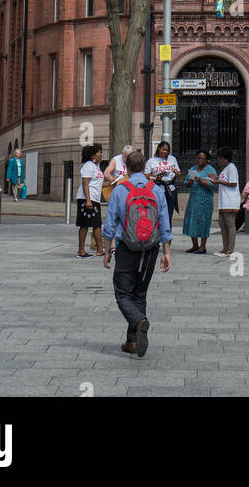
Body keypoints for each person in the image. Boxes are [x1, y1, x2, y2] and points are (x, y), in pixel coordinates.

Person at [102, 149, 172, 357]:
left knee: (122, 293)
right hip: (150, 248)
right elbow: (164, 223)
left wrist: (107, 249)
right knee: (140, 293)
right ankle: (132, 341)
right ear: (144, 167)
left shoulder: (120, 190)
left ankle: (139, 321)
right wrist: (166, 252)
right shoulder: (156, 190)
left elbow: (109, 224)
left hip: (126, 247)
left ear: (128, 169)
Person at [182, 150, 217, 252]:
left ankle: (203, 246)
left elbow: (212, 185)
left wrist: (200, 181)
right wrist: (190, 181)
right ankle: (195, 245)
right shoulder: (193, 169)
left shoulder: (211, 170)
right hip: (193, 200)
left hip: (205, 201)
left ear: (207, 160)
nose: (199, 160)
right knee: (192, 221)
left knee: (203, 222)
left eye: (202, 158)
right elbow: (186, 184)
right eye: (198, 157)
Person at [76, 144, 104, 257]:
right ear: (93, 155)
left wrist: (113, 182)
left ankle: (100, 249)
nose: (101, 155)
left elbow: (97, 183)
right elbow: (85, 182)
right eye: (99, 153)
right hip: (87, 199)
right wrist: (88, 200)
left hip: (94, 198)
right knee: (85, 224)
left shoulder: (96, 167)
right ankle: (81, 250)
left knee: (96, 224)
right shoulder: (88, 165)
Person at [213, 147, 241, 257]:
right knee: (222, 225)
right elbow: (223, 181)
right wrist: (215, 178)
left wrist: (218, 181)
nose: (218, 160)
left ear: (226, 159)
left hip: (230, 201)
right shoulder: (225, 169)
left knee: (230, 225)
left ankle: (230, 249)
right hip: (223, 202)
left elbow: (233, 183)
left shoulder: (232, 168)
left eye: (220, 158)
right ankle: (224, 248)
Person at [145, 141, 181, 224]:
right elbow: (146, 175)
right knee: (158, 212)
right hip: (158, 187)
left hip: (170, 188)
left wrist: (176, 172)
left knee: (169, 212)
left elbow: (178, 173)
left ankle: (167, 232)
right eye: (163, 149)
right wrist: (156, 177)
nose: (165, 152)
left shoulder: (172, 159)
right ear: (158, 149)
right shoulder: (151, 161)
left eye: (167, 150)